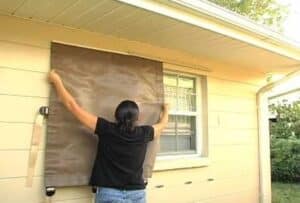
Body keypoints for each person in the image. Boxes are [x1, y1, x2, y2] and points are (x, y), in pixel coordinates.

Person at [48, 69, 169, 203]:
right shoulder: (145, 133)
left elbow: (72, 106)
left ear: (116, 115)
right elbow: (163, 124)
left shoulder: (106, 129)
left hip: (109, 193)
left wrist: (56, 81)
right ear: (137, 117)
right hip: (137, 193)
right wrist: (167, 109)